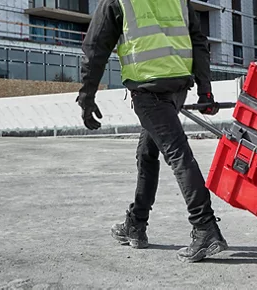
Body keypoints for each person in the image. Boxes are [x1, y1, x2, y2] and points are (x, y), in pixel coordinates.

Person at [75, 0, 226, 263]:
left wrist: (87, 95)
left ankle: (205, 228)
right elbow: (198, 40)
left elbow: (96, 47)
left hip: (149, 91)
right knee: (147, 153)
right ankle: (136, 223)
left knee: (177, 154)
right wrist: (205, 89)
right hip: (177, 87)